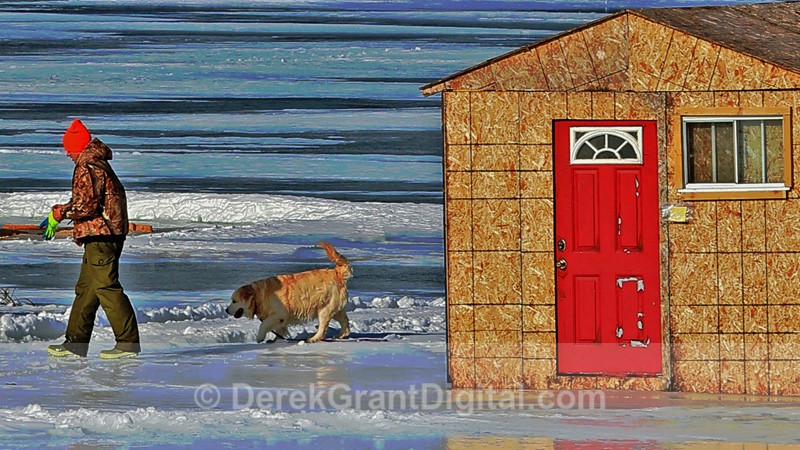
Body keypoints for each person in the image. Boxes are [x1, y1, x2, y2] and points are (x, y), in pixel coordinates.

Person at [41, 119, 141, 359]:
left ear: (78, 147)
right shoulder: (97, 163)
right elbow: (89, 201)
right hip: (102, 233)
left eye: (68, 148)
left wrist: (60, 213)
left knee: (107, 288)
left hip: (101, 235)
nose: (67, 153)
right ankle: (75, 343)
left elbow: (86, 205)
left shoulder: (88, 166)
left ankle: (127, 343)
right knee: (86, 290)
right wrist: (63, 211)